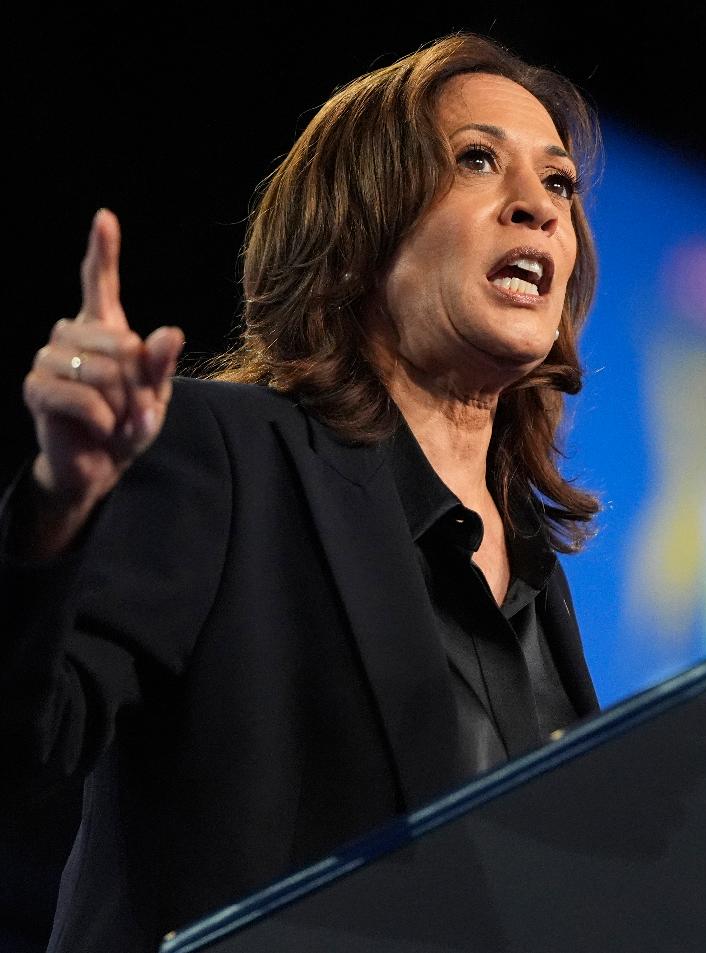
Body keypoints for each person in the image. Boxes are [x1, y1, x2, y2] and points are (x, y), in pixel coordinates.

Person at [2, 34, 606, 952]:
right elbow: (27, 748)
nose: (538, 208)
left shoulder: (533, 567)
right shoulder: (228, 455)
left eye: (558, 182)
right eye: (476, 161)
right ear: (361, 231)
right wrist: (57, 506)